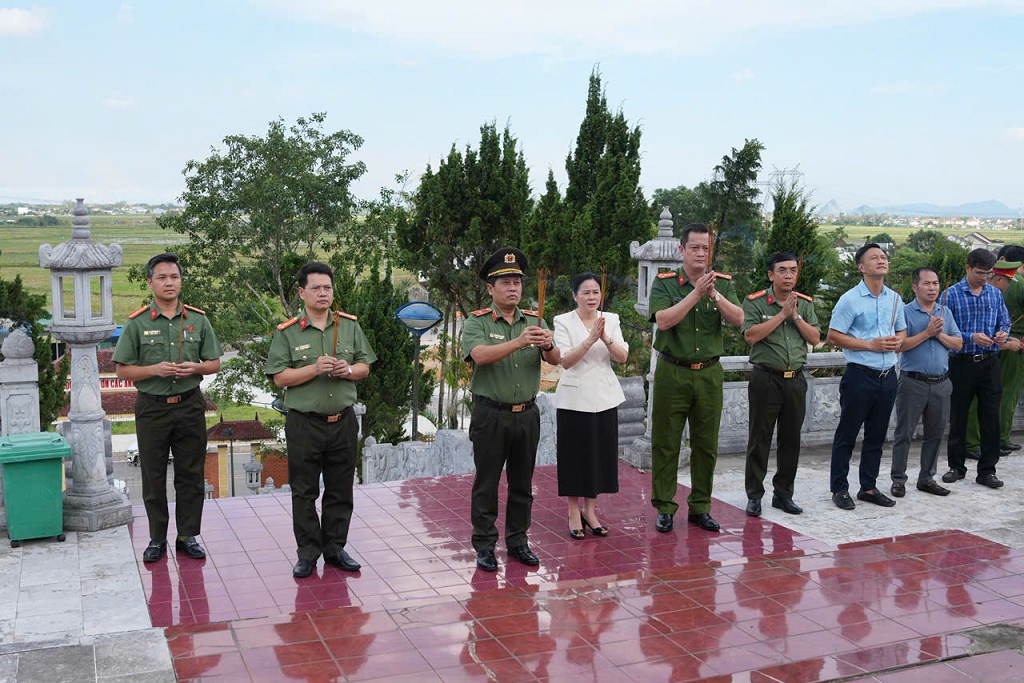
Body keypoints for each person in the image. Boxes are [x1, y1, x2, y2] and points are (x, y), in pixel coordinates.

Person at [264, 262, 377, 578]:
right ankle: (308, 553)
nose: (323, 292)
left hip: (342, 421)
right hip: (304, 423)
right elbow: (280, 377)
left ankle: (336, 548)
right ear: (302, 293)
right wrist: (313, 369)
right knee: (305, 491)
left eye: (328, 287)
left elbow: (365, 364)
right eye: (316, 287)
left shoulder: (349, 326)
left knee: (341, 489)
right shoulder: (288, 332)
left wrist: (349, 370)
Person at [113, 252, 222, 563]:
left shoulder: (198, 320)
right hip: (152, 407)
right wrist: (154, 370)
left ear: (181, 281)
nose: (168, 282)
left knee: (190, 473)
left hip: (189, 404)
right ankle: (157, 538)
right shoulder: (137, 323)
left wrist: (196, 368)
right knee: (153, 474)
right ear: (150, 283)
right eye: (161, 277)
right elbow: (122, 370)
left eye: (174, 277)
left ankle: (188, 535)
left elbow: (214, 362)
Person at [462, 248, 561, 571]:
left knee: (522, 483)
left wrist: (547, 344)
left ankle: (518, 540)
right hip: (491, 413)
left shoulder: (534, 320)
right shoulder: (477, 322)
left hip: (527, 414)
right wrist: (519, 342)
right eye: (505, 282)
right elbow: (479, 356)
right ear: (491, 289)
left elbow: (555, 360)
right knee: (487, 483)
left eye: (517, 282)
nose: (513, 288)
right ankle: (485, 544)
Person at [649, 224, 744, 533]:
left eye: (706, 248)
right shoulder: (665, 284)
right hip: (672, 372)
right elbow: (663, 321)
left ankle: (701, 506)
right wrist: (695, 293)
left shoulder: (723, 284)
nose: (701, 253)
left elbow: (739, 319)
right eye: (695, 248)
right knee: (666, 442)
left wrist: (712, 292)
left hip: (709, 374)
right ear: (682, 250)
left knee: (706, 444)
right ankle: (665, 506)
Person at [826, 243, 906, 510]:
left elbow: (902, 331)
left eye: (884, 257)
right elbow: (834, 336)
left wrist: (897, 342)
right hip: (860, 376)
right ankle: (839, 488)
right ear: (861, 267)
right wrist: (871, 345)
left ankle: (868, 487)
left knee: (876, 436)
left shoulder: (894, 298)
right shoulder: (850, 299)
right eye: (874, 258)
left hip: (888, 376)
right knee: (847, 435)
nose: (881, 260)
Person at [741, 252, 821, 517]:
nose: (789, 275)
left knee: (791, 440)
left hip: (795, 380)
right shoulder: (755, 302)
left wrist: (795, 316)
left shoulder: (805, 303)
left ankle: (783, 494)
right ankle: (754, 495)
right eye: (783, 270)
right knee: (759, 438)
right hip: (766, 378)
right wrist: (781, 315)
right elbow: (751, 336)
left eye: (793, 270)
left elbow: (815, 337)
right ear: (771, 275)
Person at [553, 272, 629, 539]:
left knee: (599, 456)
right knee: (575, 457)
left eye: (595, 292)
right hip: (573, 400)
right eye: (585, 292)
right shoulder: (562, 321)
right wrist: (588, 340)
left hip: (604, 397)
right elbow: (565, 361)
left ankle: (591, 511)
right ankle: (574, 512)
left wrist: (605, 336)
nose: (592, 297)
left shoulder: (612, 320)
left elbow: (622, 356)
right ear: (575, 296)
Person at [889, 267, 962, 497]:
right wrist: (927, 333)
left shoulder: (945, 312)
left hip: (941, 383)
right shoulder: (905, 312)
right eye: (927, 284)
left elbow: (958, 343)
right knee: (904, 433)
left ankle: (927, 477)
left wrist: (939, 334)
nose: (932, 288)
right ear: (915, 287)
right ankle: (898, 479)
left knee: (936, 432)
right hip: (913, 382)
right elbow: (899, 346)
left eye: (936, 283)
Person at [942, 249, 1011, 489]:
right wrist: (971, 337)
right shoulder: (950, 295)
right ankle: (956, 467)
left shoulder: (994, 294)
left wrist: (1003, 333)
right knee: (958, 416)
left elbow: (1005, 321)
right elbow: (943, 331)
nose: (984, 278)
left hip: (990, 362)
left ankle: (987, 470)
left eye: (989, 274)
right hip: (961, 362)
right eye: (980, 273)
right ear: (968, 268)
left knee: (991, 418)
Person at [964, 252, 1024, 458]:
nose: (1009, 287)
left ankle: (985, 442)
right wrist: (1008, 344)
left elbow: (1003, 324)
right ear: (998, 278)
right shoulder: (971, 295)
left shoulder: (994, 296)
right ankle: (973, 444)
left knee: (989, 399)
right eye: (1008, 282)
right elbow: (977, 336)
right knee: (979, 401)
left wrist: (1006, 337)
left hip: (993, 356)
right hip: (972, 357)